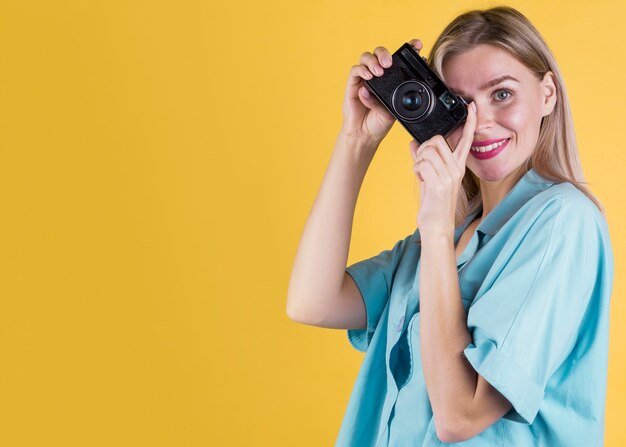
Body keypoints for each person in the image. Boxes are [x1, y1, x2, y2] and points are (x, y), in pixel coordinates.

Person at [286, 6, 614, 446]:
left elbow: (459, 417)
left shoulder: (563, 222)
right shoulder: (439, 243)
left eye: (501, 94)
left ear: (548, 93)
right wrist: (357, 141)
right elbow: (312, 302)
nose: (479, 124)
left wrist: (437, 229)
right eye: (459, 104)